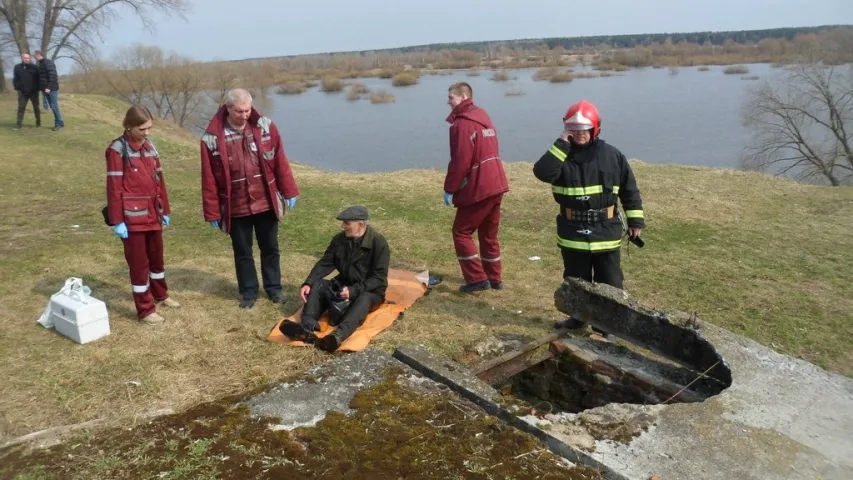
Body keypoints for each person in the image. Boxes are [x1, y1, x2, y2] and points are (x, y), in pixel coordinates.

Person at [533, 100, 645, 335]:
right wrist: (562, 143)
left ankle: (608, 328)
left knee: (610, 281)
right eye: (574, 129)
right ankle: (577, 319)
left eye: (584, 129)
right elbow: (542, 172)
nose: (579, 134)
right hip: (573, 230)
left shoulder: (612, 155)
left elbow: (629, 190)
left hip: (606, 230)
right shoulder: (560, 154)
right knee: (575, 279)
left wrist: (636, 221)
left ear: (595, 129)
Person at [200, 88, 299, 309]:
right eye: (239, 111)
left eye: (247, 110)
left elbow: (280, 162)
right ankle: (248, 292)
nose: (244, 115)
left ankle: (274, 288)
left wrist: (289, 191)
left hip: (265, 201)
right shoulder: (212, 138)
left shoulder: (266, 127)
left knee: (270, 248)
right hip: (236, 206)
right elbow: (208, 178)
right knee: (243, 252)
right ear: (227, 108)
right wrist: (213, 211)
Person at [106, 105, 179, 325]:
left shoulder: (151, 148)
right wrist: (118, 220)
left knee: (157, 258)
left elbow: (160, 180)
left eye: (149, 128)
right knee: (139, 264)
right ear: (129, 127)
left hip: (153, 215)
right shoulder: (117, 150)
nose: (146, 133)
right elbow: (114, 187)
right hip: (132, 218)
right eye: (142, 128)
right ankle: (146, 309)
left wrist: (165, 210)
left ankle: (161, 294)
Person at [280, 206, 390, 353]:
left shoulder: (379, 243)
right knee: (318, 284)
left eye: (346, 223)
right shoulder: (339, 240)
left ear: (361, 225)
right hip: (343, 284)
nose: (342, 226)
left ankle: (338, 336)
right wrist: (308, 282)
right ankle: (305, 329)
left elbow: (378, 278)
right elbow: (326, 262)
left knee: (364, 298)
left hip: (370, 291)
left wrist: (353, 291)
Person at [443, 82, 509, 294]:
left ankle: (477, 279)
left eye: (451, 97)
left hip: (479, 186)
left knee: (461, 232)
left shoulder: (462, 125)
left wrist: (450, 188)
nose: (448, 101)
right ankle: (494, 278)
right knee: (488, 234)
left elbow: (460, 160)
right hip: (496, 183)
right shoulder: (483, 117)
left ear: (463, 97)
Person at [34, 51, 64, 131]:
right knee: (52, 106)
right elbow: (41, 78)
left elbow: (53, 75)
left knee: (54, 106)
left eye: (35, 56)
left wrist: (49, 87)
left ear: (39, 55)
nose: (34, 57)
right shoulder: (40, 64)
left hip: (51, 89)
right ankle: (60, 123)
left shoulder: (48, 63)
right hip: (45, 89)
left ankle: (59, 124)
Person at [12, 53, 41, 130]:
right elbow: (15, 79)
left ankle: (38, 122)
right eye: (25, 58)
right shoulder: (17, 67)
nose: (26, 59)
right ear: (22, 58)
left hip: (34, 92)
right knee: (21, 107)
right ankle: (19, 124)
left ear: (30, 58)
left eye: (28, 58)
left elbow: (39, 79)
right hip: (22, 92)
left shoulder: (35, 67)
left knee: (36, 108)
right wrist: (17, 87)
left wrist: (38, 88)